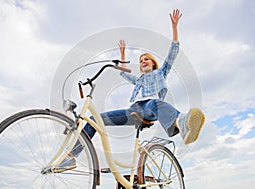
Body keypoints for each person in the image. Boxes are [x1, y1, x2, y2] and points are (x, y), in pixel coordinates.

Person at [60, 9, 205, 167]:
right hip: (133, 110)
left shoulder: (161, 73)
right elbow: (123, 74)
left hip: (150, 109)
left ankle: (182, 124)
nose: (143, 61)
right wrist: (122, 56)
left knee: (154, 103)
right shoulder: (139, 80)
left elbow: (173, 52)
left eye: (146, 59)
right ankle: (70, 158)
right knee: (95, 120)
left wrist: (175, 28)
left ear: (153, 63)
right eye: (141, 60)